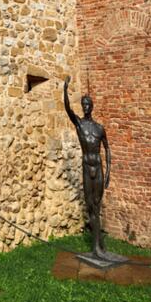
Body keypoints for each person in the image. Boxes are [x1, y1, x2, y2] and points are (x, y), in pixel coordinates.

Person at [63, 75, 111, 260]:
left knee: (97, 205)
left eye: (87, 105)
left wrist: (108, 172)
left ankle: (99, 244)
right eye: (83, 105)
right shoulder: (79, 124)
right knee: (90, 205)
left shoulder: (99, 128)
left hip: (98, 168)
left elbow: (107, 149)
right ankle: (96, 246)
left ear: (92, 107)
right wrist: (65, 89)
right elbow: (68, 109)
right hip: (86, 166)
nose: (85, 107)